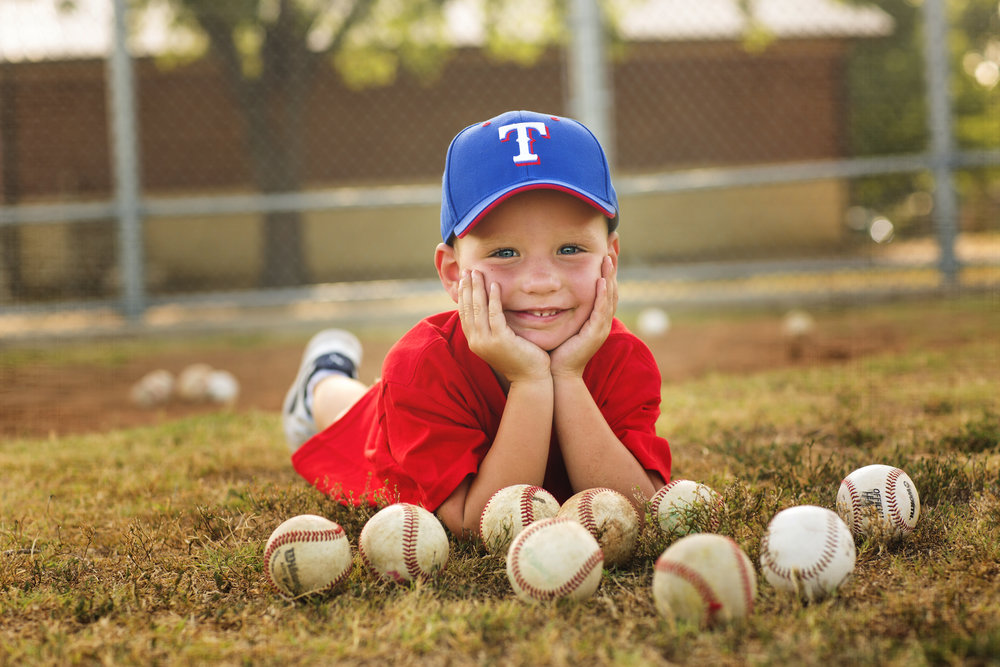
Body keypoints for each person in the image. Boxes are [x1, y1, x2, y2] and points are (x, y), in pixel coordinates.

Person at [283, 109, 671, 539]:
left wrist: (568, 374)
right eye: (504, 253)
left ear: (610, 261)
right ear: (452, 273)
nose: (541, 282)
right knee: (348, 408)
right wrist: (531, 380)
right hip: (394, 432)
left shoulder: (623, 358)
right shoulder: (421, 367)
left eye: (570, 248)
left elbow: (639, 509)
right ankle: (320, 377)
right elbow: (476, 523)